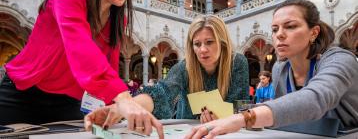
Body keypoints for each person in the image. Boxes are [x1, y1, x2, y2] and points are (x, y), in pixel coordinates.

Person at [0, 0, 163, 136]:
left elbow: (109, 67)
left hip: (68, 102)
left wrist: (111, 108)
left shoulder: (117, 18)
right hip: (23, 94)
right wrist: (124, 99)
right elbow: (82, 51)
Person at [184, 0, 358, 139]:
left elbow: (315, 99)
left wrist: (243, 118)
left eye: (290, 26)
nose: (279, 34)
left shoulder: (340, 59)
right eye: (275, 29)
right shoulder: (280, 68)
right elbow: (284, 115)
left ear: (314, 32)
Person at [84, 15, 250, 128]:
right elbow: (162, 92)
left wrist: (220, 118)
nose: (202, 50)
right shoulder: (184, 68)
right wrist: (123, 108)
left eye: (209, 42)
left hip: (227, 131)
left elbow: (239, 107)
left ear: (222, 43)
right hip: (189, 131)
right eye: (197, 44)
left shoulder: (237, 63)